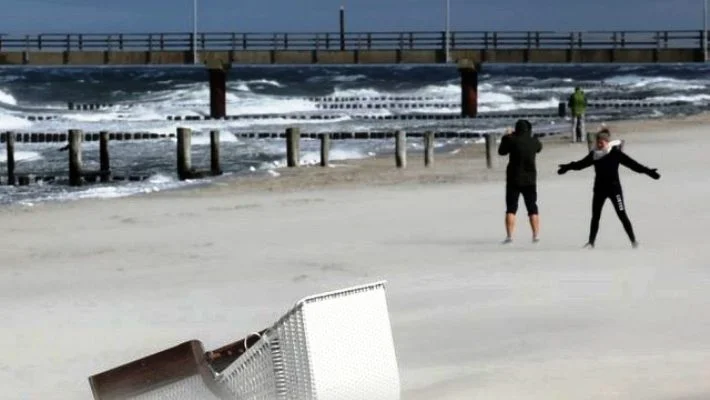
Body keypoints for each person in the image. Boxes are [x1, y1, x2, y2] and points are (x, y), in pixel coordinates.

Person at [557, 128, 661, 248]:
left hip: (614, 190)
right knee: (595, 216)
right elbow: (580, 165)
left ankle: (633, 241)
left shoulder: (616, 153)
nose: (599, 145)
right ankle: (591, 242)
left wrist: (649, 171)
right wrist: (567, 167)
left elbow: (633, 165)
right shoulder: (594, 155)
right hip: (599, 190)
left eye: (601, 142)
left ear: (607, 142)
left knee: (622, 215)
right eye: (598, 142)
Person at [498, 119, 542, 244]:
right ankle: (535, 235)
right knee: (532, 207)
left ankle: (509, 236)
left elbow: (501, 151)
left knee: (511, 208)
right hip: (530, 179)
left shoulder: (512, 140)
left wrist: (506, 136)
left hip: (513, 178)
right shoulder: (533, 141)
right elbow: (539, 148)